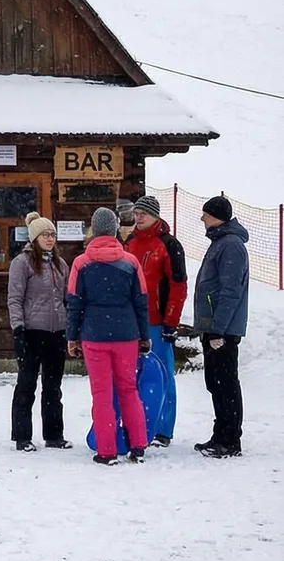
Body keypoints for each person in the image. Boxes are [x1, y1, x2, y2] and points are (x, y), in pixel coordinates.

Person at [67, 206, 151, 465]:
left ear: (94, 229)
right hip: (127, 335)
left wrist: (72, 336)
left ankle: (107, 450)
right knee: (128, 389)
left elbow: (74, 302)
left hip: (94, 336)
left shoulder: (81, 263)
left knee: (101, 393)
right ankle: (137, 444)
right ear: (115, 229)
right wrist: (144, 336)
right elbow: (141, 301)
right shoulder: (130, 262)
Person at [123, 194, 187, 445]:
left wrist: (171, 322)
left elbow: (178, 285)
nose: (138, 218)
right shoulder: (129, 242)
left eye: (144, 214)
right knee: (133, 376)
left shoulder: (169, 244)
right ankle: (138, 426)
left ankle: (163, 429)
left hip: (156, 321)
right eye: (136, 213)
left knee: (162, 375)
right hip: (130, 321)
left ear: (156, 216)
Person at [8, 213, 71, 451]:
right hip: (31, 332)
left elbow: (66, 299)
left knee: (53, 387)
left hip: (57, 333)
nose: (50, 238)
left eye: (53, 234)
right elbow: (14, 299)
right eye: (45, 234)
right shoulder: (21, 263)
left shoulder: (60, 264)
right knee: (27, 385)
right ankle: (22, 436)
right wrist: (18, 328)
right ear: (34, 237)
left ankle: (54, 435)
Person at [193, 195, 249, 458]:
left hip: (222, 330)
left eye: (205, 214)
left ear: (217, 216)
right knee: (215, 383)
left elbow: (230, 291)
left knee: (225, 383)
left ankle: (230, 440)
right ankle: (220, 435)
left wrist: (219, 329)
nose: (202, 218)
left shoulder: (231, 246)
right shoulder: (220, 242)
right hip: (214, 327)